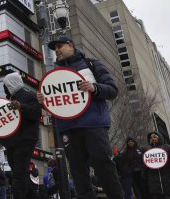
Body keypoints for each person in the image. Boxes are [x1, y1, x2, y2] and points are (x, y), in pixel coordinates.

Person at [37, 36, 124, 199]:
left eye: (59, 46)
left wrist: (94, 88)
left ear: (71, 45)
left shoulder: (91, 64)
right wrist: (44, 102)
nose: (56, 50)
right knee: (78, 174)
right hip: (68, 129)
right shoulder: (55, 75)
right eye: (54, 48)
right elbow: (56, 106)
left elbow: (112, 90)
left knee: (103, 165)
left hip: (93, 124)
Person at [0, 71, 41, 199]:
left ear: (11, 84)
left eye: (5, 85)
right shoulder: (9, 100)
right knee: (18, 173)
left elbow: (36, 114)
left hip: (25, 140)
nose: (4, 88)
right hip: (12, 143)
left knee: (19, 173)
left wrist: (21, 106)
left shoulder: (29, 95)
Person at [144, 131, 170, 199]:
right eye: (151, 137)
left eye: (154, 136)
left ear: (159, 137)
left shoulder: (167, 147)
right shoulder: (148, 151)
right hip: (155, 181)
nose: (152, 138)